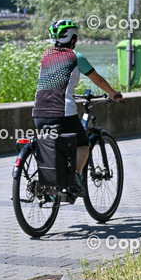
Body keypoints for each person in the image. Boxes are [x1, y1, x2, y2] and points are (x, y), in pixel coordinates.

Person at [32, 19, 122, 181]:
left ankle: (53, 187)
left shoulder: (45, 56)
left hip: (38, 112)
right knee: (83, 144)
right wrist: (113, 93)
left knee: (52, 146)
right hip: (62, 113)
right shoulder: (76, 57)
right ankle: (74, 176)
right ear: (72, 39)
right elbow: (98, 80)